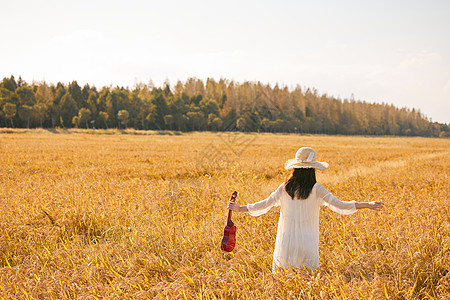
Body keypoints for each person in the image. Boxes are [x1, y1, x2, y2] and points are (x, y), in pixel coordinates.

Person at [227, 147, 384, 272]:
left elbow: (265, 204)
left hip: (286, 241)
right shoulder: (316, 188)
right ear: (312, 169)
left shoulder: (285, 188)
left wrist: (240, 208)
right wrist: (367, 204)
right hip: (307, 241)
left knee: (284, 282)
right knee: (308, 281)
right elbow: (340, 205)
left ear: (295, 168)